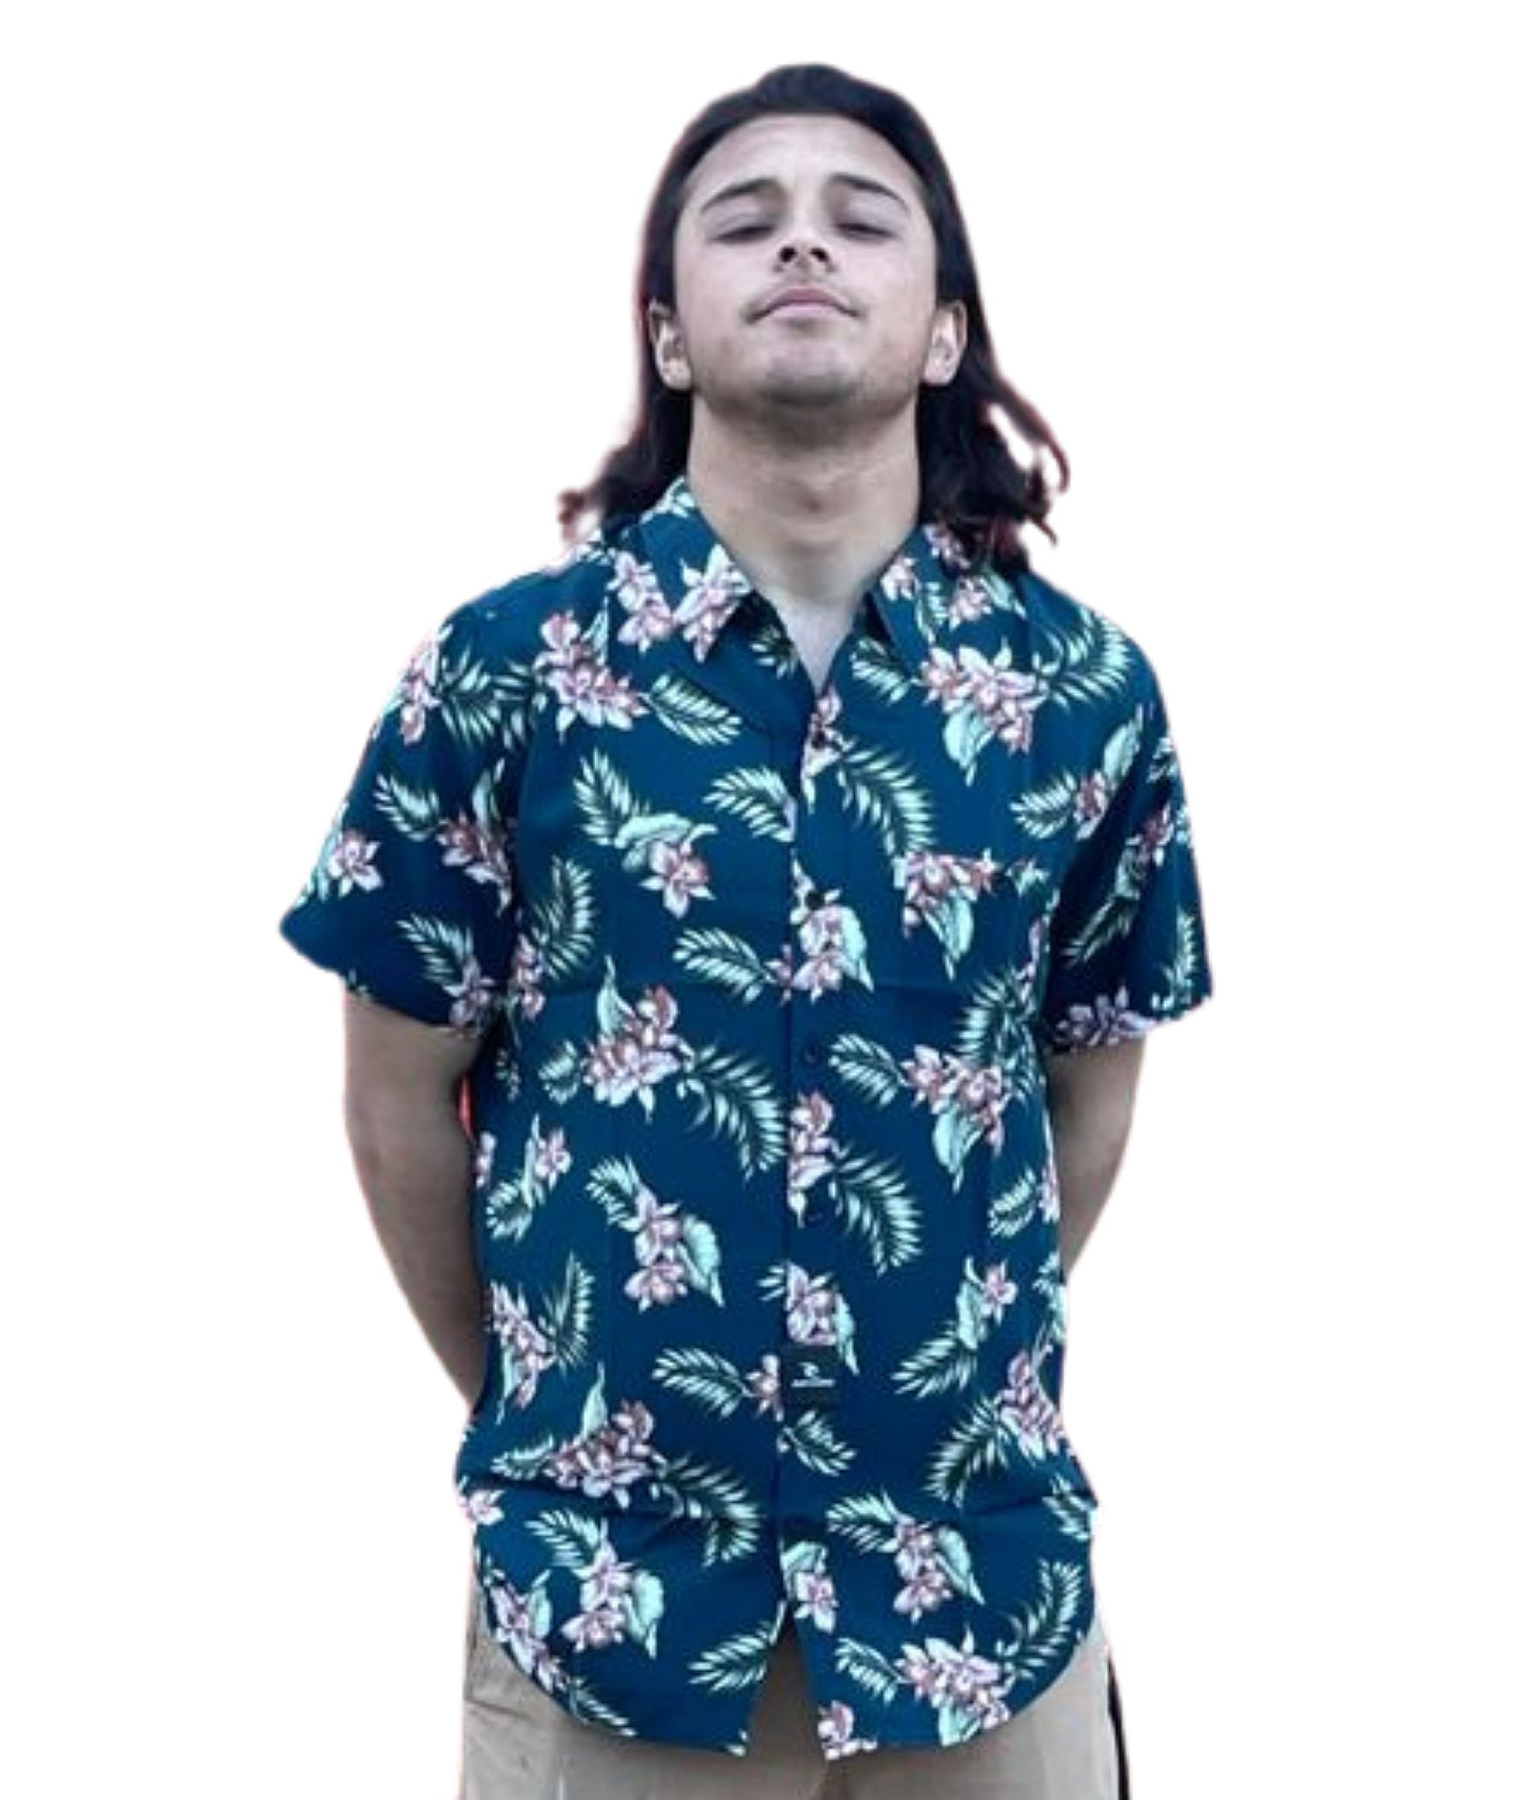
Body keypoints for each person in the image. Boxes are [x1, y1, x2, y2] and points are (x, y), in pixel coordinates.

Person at [280, 60, 1213, 1800]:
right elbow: (395, 1098)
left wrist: (917, 1371)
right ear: (667, 333)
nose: (804, 244)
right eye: (745, 220)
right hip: (609, 1602)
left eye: (862, 219)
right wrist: (553, 1405)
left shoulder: (1082, 697)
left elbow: (1089, 1090)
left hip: (978, 1590)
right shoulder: (505, 674)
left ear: (944, 333)